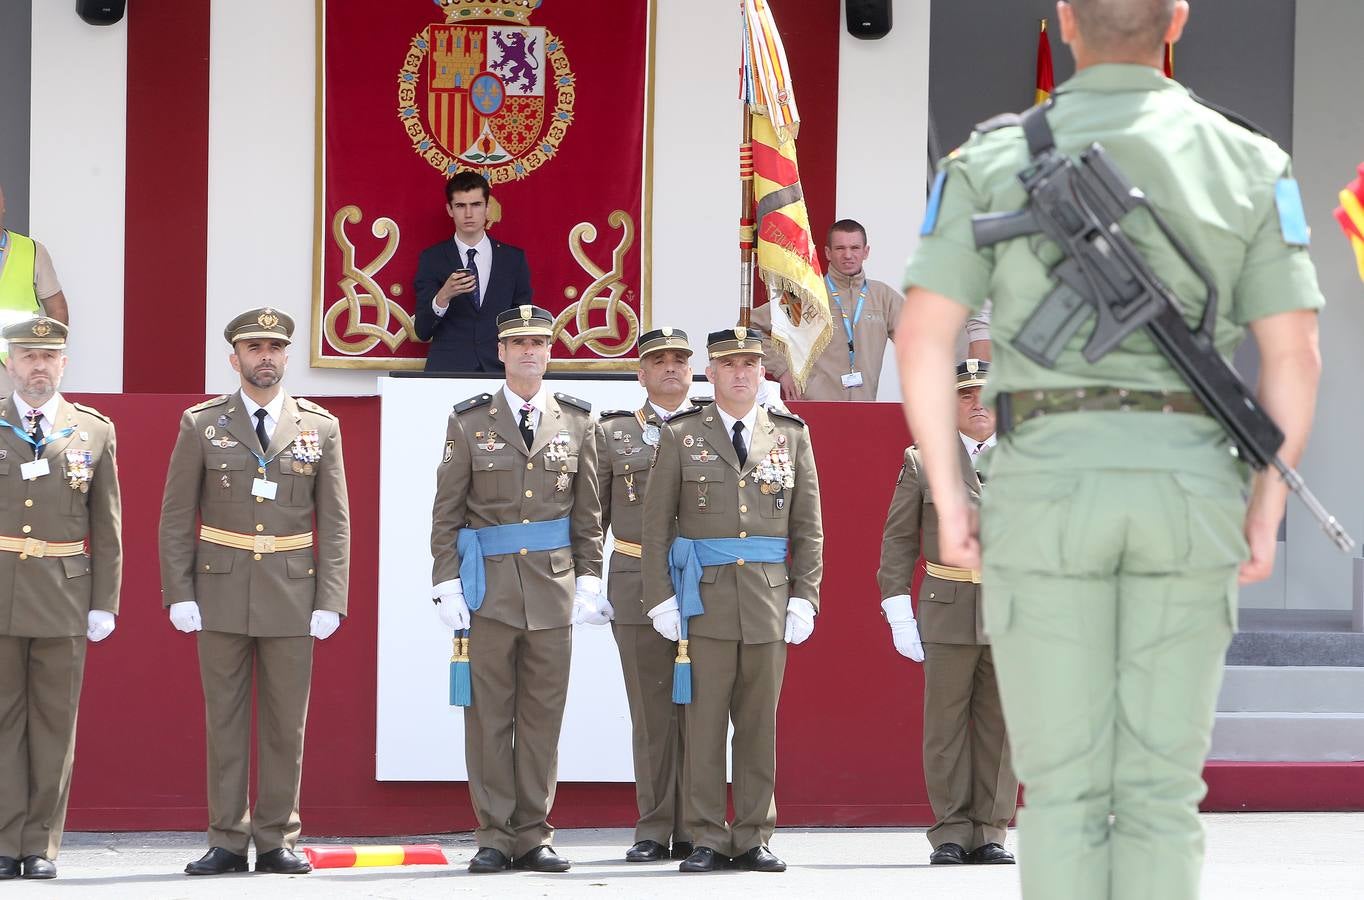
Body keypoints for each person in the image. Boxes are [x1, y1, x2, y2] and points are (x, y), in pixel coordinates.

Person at [896, 2, 1326, 898]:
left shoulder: (990, 158)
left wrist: (951, 495)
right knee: (1163, 793)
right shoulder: (1247, 159)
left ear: (1064, 22)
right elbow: (1294, 356)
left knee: (1060, 790)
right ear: (1177, 20)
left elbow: (924, 337)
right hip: (1188, 487)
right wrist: (1265, 506)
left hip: (1045, 485)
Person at [159, 307, 351, 877]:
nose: (264, 356)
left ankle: (276, 838)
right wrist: (179, 591)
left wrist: (331, 597)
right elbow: (175, 516)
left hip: (294, 590)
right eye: (253, 347)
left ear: (287, 355)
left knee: (286, 721)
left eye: (274, 347)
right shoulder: (202, 423)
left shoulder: (321, 427)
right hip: (220, 588)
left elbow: (335, 521)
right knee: (225, 720)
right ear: (234, 357)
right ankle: (225, 837)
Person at [430, 304, 605, 874]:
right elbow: (447, 512)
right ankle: (493, 834)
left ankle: (534, 833)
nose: (529, 350)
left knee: (542, 716)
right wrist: (446, 580)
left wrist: (590, 578)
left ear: (551, 350)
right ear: (501, 352)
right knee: (487, 715)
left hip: (552, 589)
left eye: (539, 341)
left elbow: (588, 515)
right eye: (518, 342)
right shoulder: (468, 420)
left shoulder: (579, 421)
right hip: (489, 590)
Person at [642, 326, 823, 873]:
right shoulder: (681, 433)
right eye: (730, 364)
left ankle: (753, 834)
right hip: (705, 600)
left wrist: (805, 597)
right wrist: (662, 600)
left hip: (768, 600)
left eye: (751, 363)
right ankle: (706, 836)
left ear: (762, 371)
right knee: (702, 723)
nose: (742, 372)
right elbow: (655, 527)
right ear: (711, 373)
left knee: (758, 723)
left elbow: (808, 526)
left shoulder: (791, 434)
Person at [877, 359, 1017, 867]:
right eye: (965, 395)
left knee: (1000, 727)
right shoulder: (922, 461)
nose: (978, 403)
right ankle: (952, 830)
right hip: (948, 605)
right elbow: (897, 541)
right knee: (946, 726)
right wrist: (896, 606)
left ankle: (992, 829)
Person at [0, 317, 119, 880]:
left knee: (54, 724)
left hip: (65, 596)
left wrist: (105, 602)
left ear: (64, 365)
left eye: (48, 357)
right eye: (27, 356)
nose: (38, 367)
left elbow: (108, 524)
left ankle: (40, 846)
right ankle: (4, 841)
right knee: (3, 722)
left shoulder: (92, 431)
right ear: (9, 363)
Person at [593, 327, 695, 863]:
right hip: (635, 577)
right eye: (659, 361)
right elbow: (593, 516)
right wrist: (587, 578)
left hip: (703, 582)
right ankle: (655, 824)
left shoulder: (712, 426)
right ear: (642, 373)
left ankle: (699, 824)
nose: (671, 368)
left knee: (704, 710)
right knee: (652, 710)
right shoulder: (612, 433)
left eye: (680, 359)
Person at [750, 219, 987, 401]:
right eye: (840, 248)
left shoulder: (881, 297)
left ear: (866, 252)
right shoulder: (809, 296)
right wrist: (782, 370)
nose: (848, 255)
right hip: (815, 408)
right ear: (828, 253)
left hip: (865, 411)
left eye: (855, 247)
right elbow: (753, 327)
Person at [413, 171, 533, 373]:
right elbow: (422, 331)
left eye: (476, 205)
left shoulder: (513, 259)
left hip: (501, 371)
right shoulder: (432, 259)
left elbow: (523, 323)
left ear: (487, 208)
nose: (468, 214)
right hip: (448, 371)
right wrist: (443, 296)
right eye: (460, 206)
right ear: (450, 210)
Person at [0, 183, 69, 329]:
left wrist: (51, 351)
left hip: (18, 353)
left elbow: (57, 310)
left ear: (3, 203)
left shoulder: (33, 251)